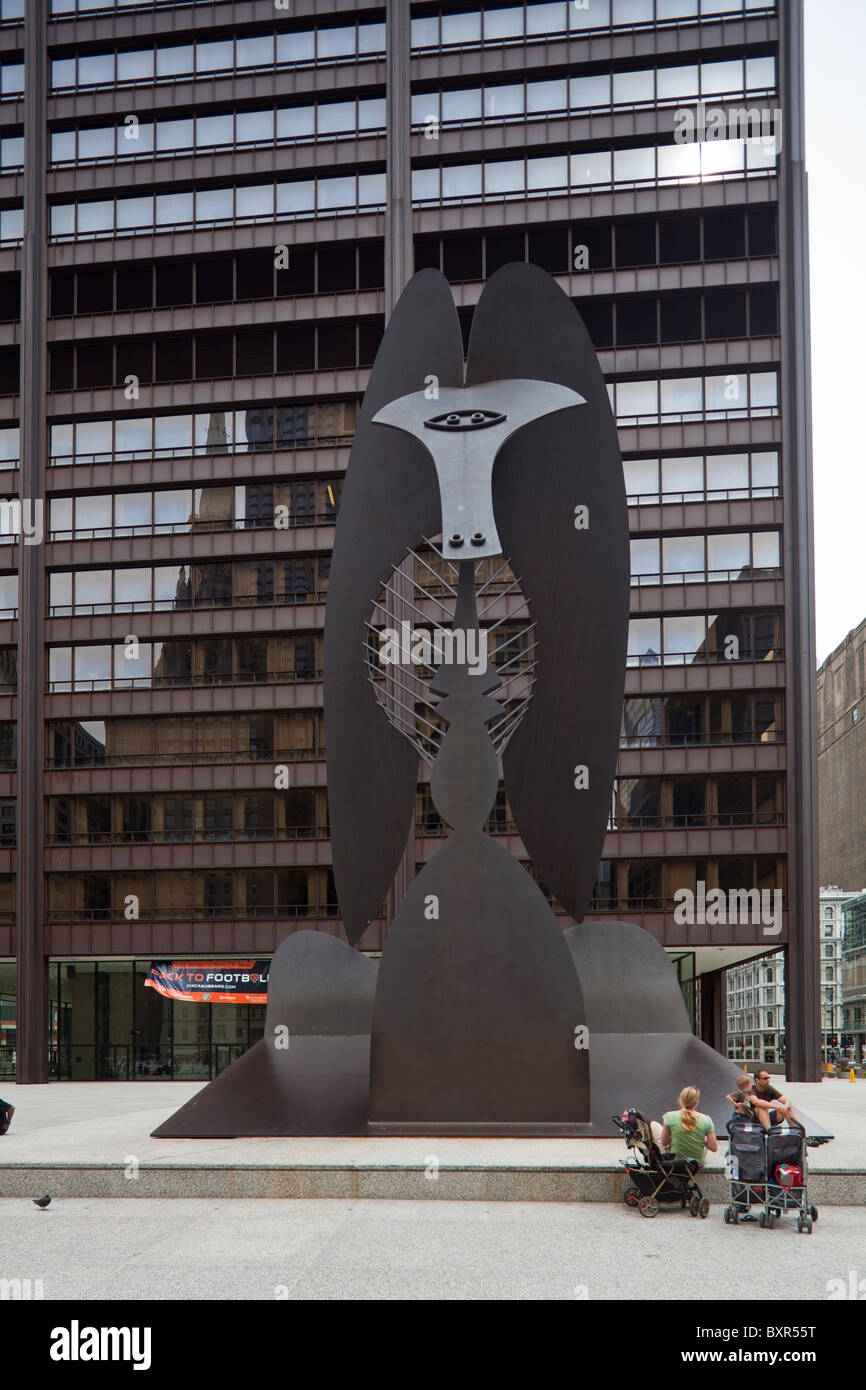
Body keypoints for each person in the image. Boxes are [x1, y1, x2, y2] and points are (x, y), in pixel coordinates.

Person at [660, 1086, 718, 1169]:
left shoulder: (669, 1116)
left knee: (656, 1127)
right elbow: (713, 1147)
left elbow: (664, 1142)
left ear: (681, 1099)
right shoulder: (706, 1119)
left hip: (676, 1161)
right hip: (696, 1163)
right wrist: (702, 1141)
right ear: (696, 1101)